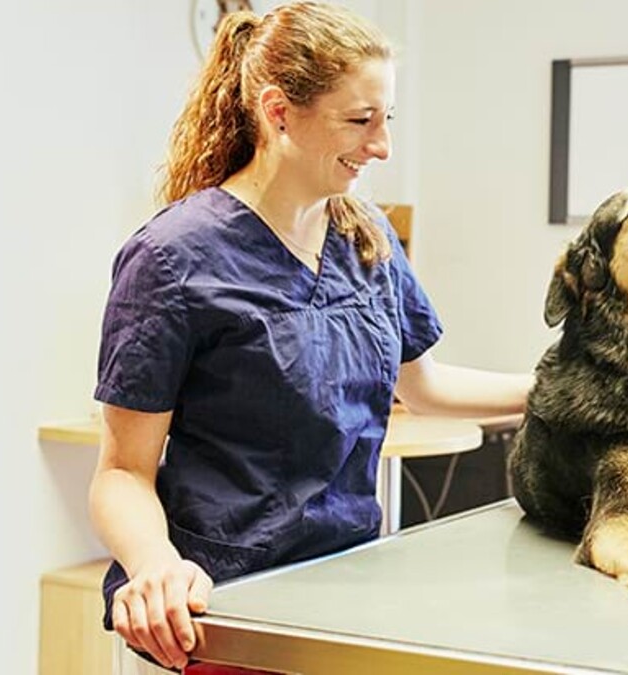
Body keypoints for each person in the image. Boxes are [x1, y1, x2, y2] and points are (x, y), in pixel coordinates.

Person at [88, 3, 532, 672]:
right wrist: (156, 566)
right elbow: (122, 473)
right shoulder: (174, 259)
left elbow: (424, 384)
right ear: (277, 112)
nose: (381, 146)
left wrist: (566, 391)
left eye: (387, 119)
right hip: (228, 611)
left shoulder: (367, 237)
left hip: (348, 603)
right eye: (359, 120)